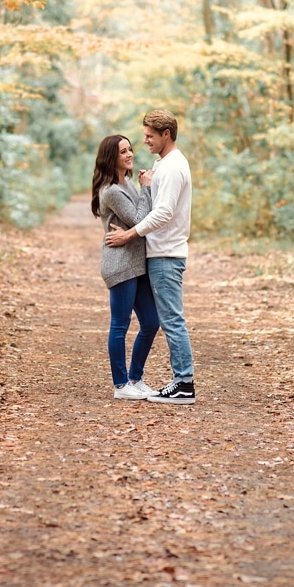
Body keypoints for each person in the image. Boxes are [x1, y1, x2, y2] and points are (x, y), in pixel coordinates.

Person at [106, 110, 195, 405]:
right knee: (163, 319)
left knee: (170, 320)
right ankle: (167, 381)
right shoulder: (163, 165)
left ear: (165, 134)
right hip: (157, 254)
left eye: (149, 136)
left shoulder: (171, 167)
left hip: (166, 253)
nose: (143, 141)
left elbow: (163, 212)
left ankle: (183, 383)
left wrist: (130, 235)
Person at [91, 134, 160, 400]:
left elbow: (145, 217)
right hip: (120, 264)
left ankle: (135, 378)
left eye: (130, 149)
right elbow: (140, 220)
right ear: (112, 158)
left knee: (151, 322)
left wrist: (143, 189)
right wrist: (148, 188)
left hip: (136, 263)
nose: (130, 154)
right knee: (120, 325)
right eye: (123, 151)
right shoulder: (111, 191)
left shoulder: (127, 184)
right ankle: (121, 385)